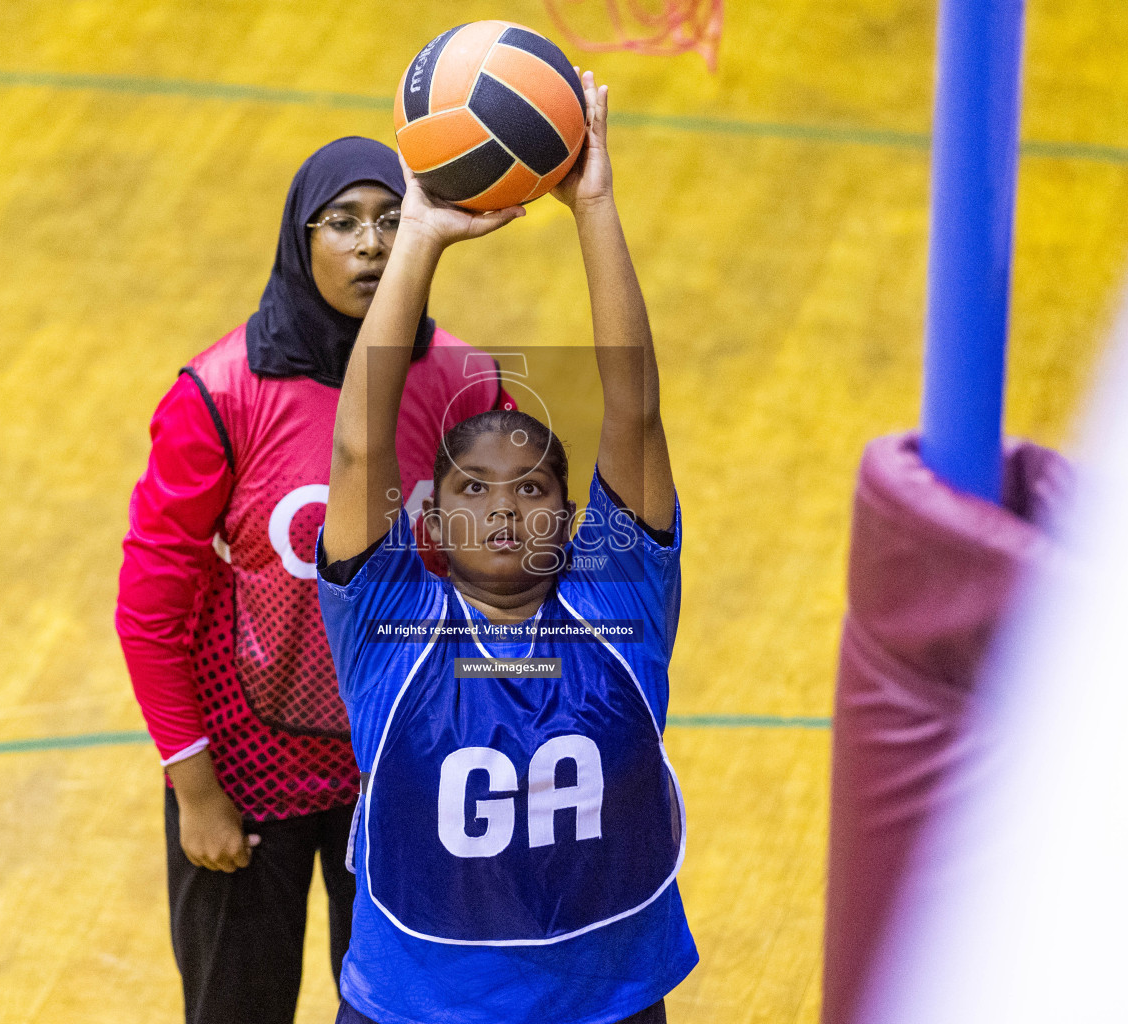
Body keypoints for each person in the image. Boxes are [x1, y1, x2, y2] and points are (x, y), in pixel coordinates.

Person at [316, 73, 697, 1024]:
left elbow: (635, 412)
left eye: (531, 489)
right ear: (429, 528)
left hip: (602, 1004)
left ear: (572, 521)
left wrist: (594, 206)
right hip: (414, 1007)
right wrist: (418, 235)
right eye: (472, 490)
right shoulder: (387, 625)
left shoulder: (620, 606)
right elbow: (361, 440)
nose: (504, 508)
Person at [116, 136, 509, 1024]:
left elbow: (504, 586)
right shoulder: (220, 393)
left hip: (402, 765)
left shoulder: (468, 384)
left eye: (392, 222)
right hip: (247, 765)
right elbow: (150, 610)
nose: (370, 244)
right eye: (343, 223)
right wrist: (197, 790)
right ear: (302, 242)